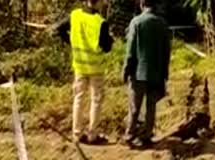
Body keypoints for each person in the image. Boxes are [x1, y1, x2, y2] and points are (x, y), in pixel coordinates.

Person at [54, 0, 114, 145]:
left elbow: (58, 30)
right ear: (98, 3)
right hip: (96, 68)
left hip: (80, 66)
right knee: (96, 100)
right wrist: (111, 40)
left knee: (78, 99)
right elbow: (106, 48)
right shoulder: (101, 23)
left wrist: (72, 42)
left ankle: (77, 134)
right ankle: (92, 135)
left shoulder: (74, 16)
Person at [122, 0, 171, 147]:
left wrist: (126, 69)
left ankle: (130, 134)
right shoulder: (162, 24)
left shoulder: (136, 22)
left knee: (134, 106)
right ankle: (147, 135)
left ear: (142, 5)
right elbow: (166, 51)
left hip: (138, 72)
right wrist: (164, 72)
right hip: (156, 73)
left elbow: (130, 50)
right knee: (151, 106)